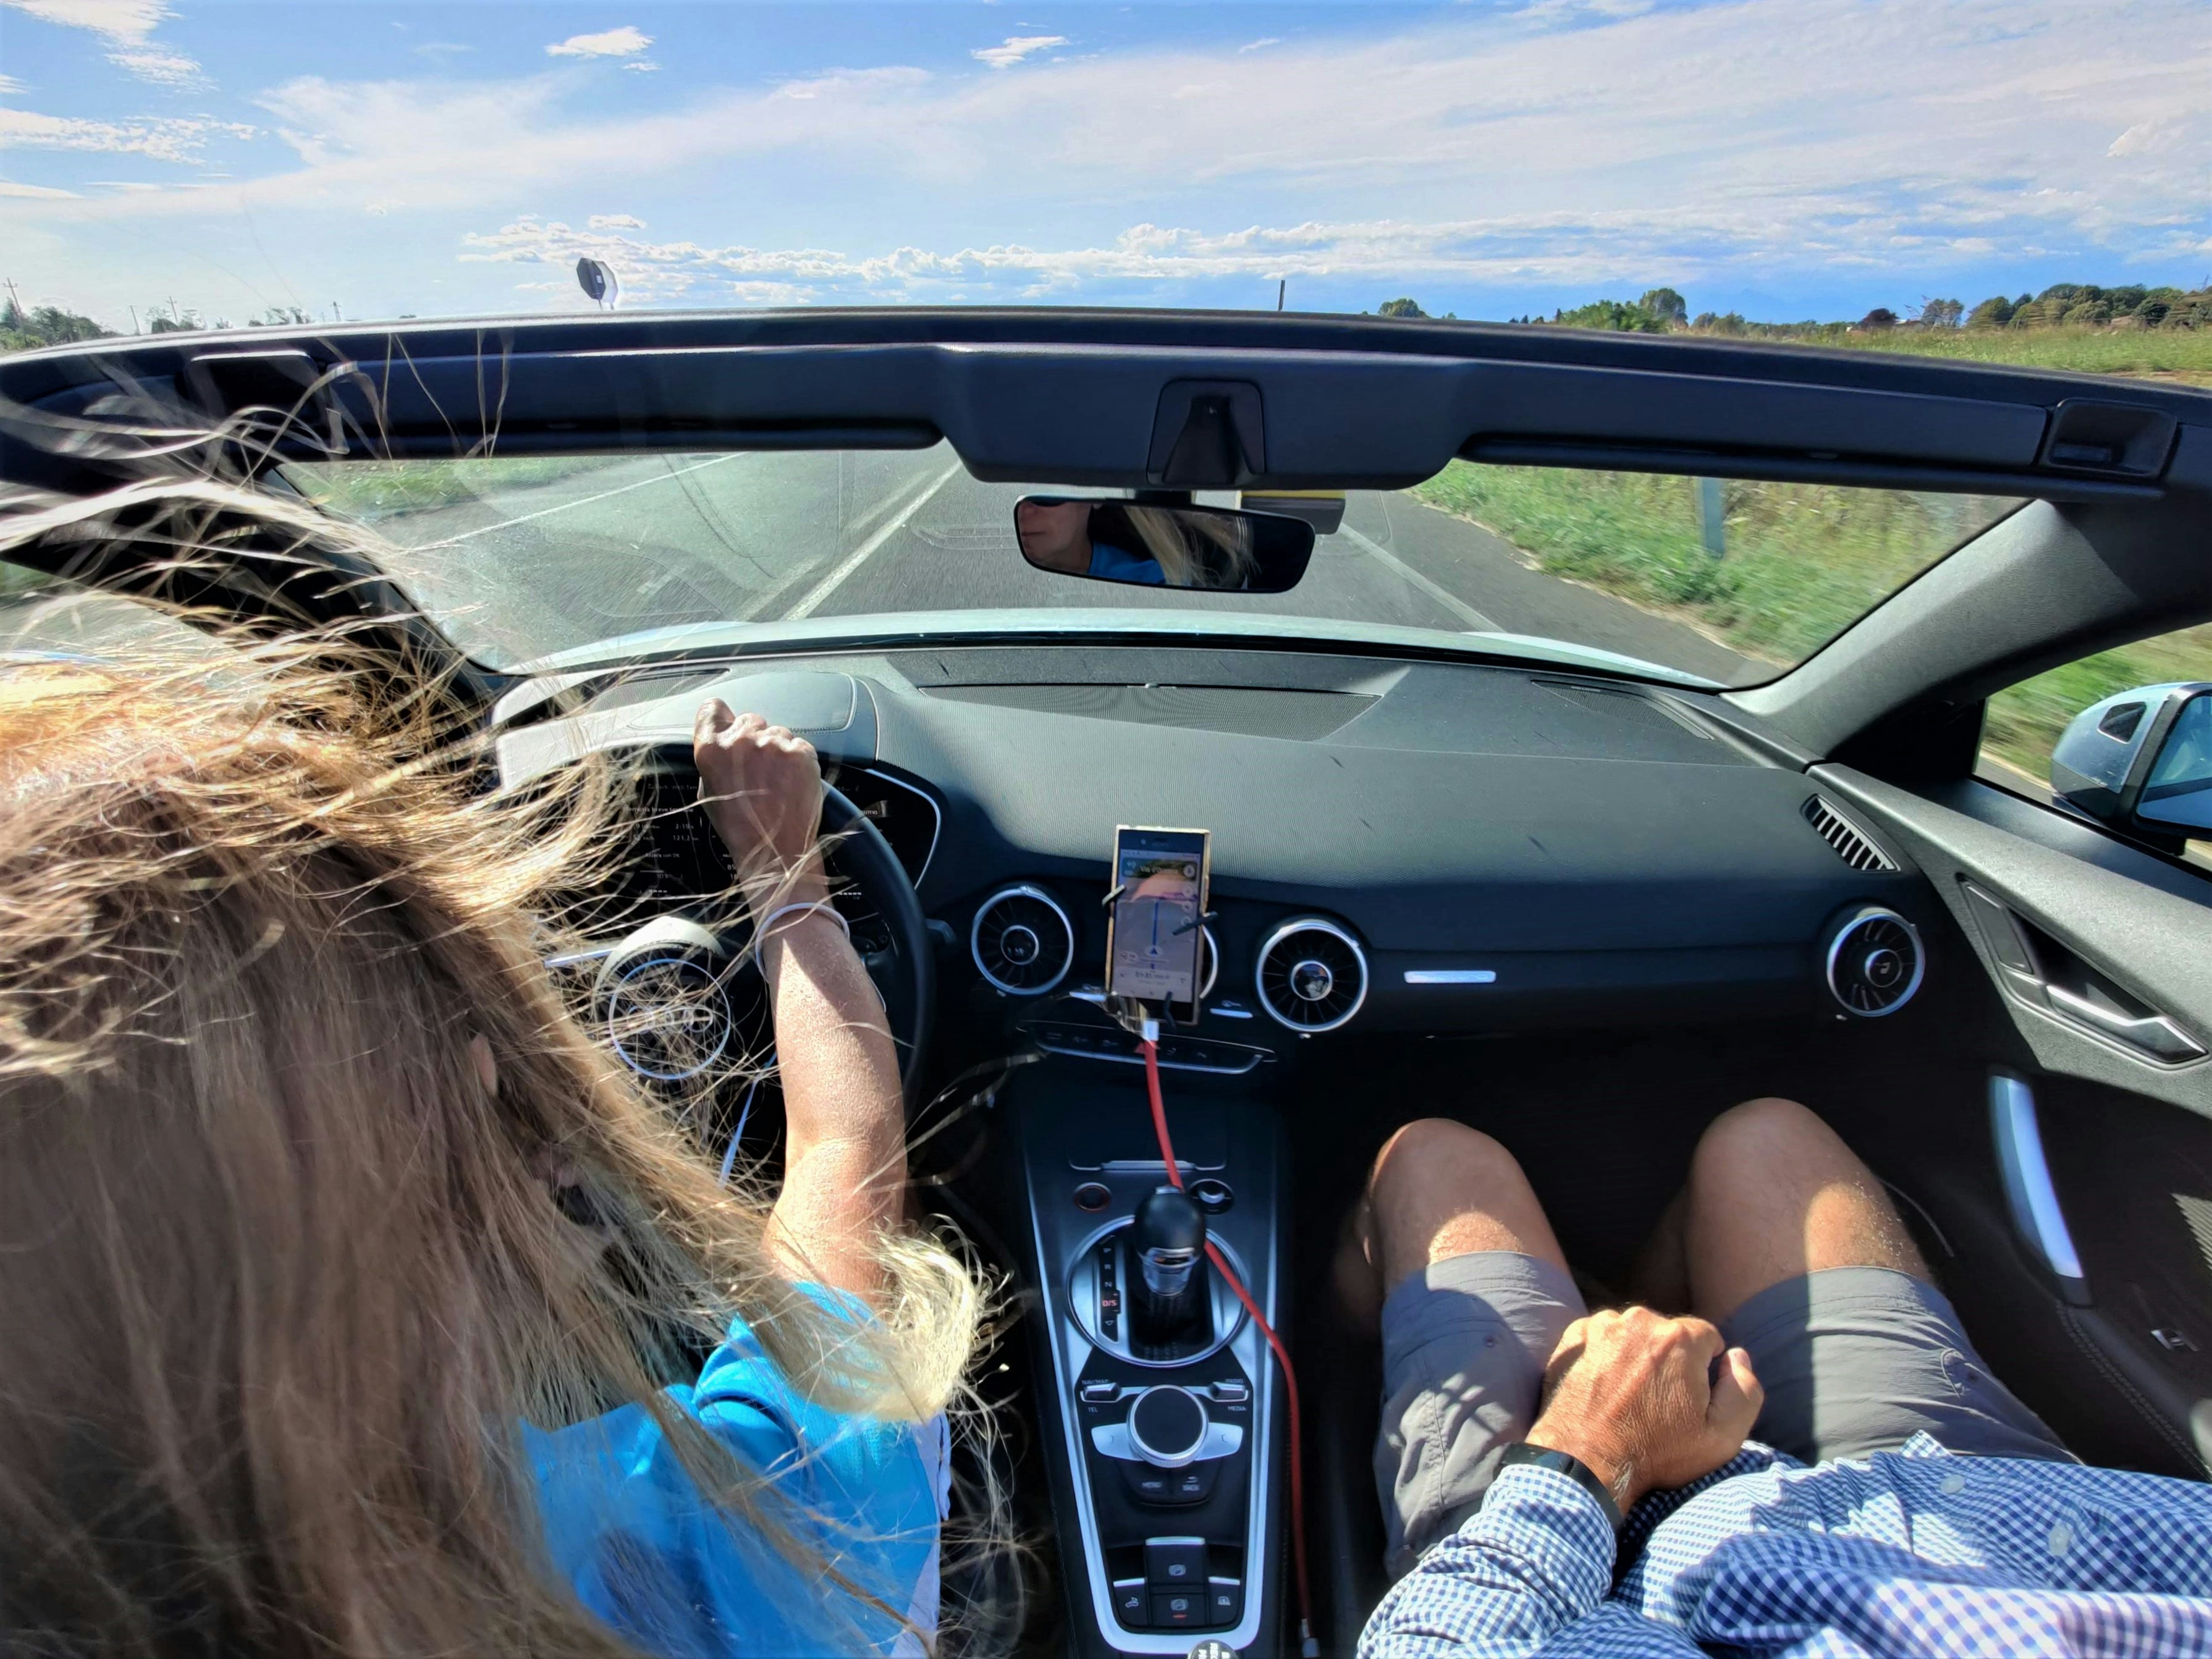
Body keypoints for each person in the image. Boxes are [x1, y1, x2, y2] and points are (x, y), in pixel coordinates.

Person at [0, 647, 986, 1658]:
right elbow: (844, 1155)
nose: (540, 1133)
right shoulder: (731, 1534)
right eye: (478, 1091)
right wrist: (786, 870)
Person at [1341, 1102, 2212, 1657]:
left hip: (1595, 1570)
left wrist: (1588, 1446)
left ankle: (1339, 1400)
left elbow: (1447, 1643)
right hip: (1991, 1512)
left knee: (1436, 1162)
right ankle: (1634, 1326)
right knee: (1767, 1141)